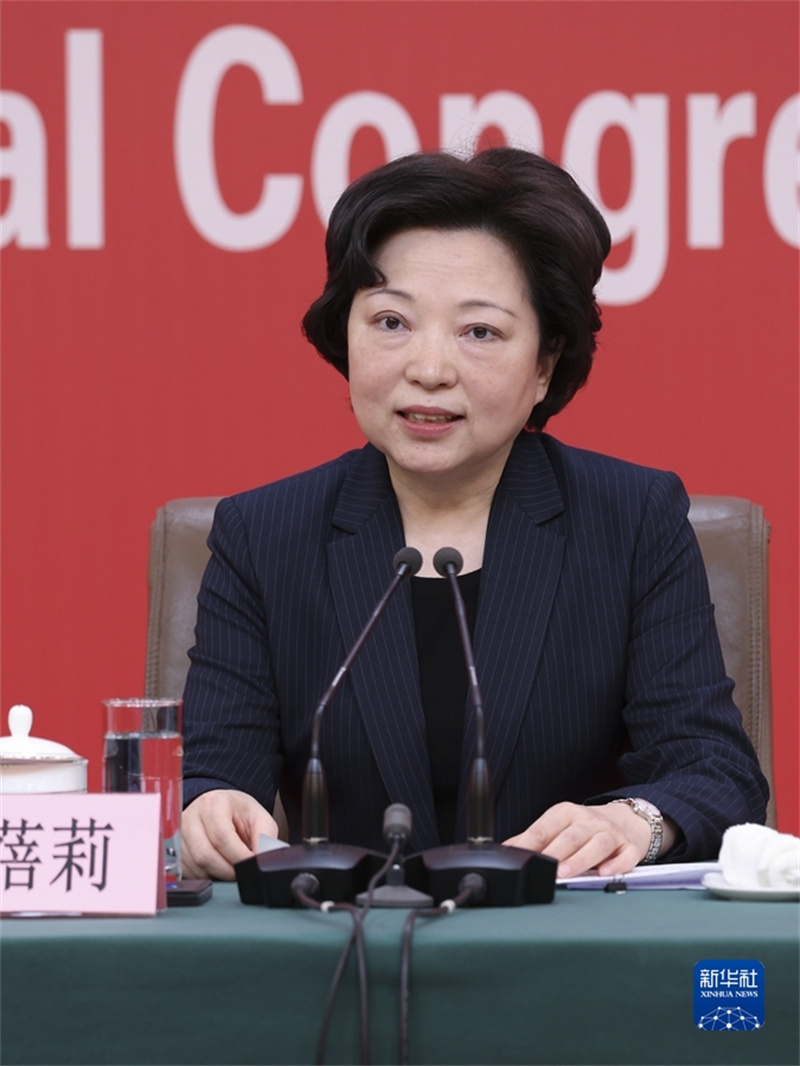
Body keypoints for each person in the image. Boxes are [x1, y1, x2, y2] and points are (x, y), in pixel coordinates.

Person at [181, 147, 768, 881]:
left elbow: (714, 770)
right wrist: (211, 808)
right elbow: (212, 774)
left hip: (563, 933)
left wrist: (634, 822)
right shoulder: (264, 534)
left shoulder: (631, 521)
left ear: (545, 364)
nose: (429, 369)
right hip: (340, 934)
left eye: (480, 332)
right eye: (391, 322)